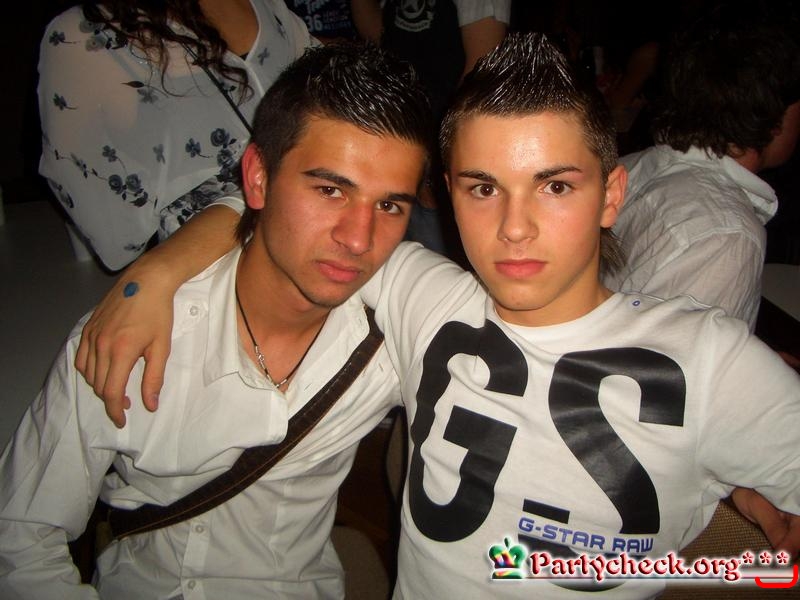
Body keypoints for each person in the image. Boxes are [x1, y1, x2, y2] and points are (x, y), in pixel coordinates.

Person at [356, 32, 800, 598]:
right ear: (448, 195)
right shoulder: (422, 292)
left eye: (555, 186)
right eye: (484, 188)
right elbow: (292, 231)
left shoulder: (712, 361)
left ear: (612, 196)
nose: (515, 228)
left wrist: (732, 455)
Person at [0, 42, 434, 598]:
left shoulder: (398, 332)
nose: (358, 239)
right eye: (330, 190)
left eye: (389, 205)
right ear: (258, 178)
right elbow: (20, 538)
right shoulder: (133, 334)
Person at [38, 0, 316, 271]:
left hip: (321, 253)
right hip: (210, 278)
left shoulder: (271, 7)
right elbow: (114, 237)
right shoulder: (86, 36)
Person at [603, 4, 800, 331]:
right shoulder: (726, 236)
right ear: (777, 112)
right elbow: (669, 360)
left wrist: (750, 354)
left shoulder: (632, 167)